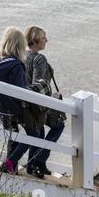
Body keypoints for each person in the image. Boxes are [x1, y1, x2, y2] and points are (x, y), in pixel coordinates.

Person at [0, 27, 43, 177]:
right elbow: (20, 93)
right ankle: (10, 162)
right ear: (19, 45)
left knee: (13, 134)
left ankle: (11, 166)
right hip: (14, 108)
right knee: (34, 134)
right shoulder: (16, 66)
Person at [23, 26, 65, 176]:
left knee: (38, 134)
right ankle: (38, 161)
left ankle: (34, 164)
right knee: (58, 126)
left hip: (26, 104)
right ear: (34, 41)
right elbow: (37, 85)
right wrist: (51, 99)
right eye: (43, 37)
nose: (46, 40)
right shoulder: (39, 58)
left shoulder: (22, 55)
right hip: (38, 105)